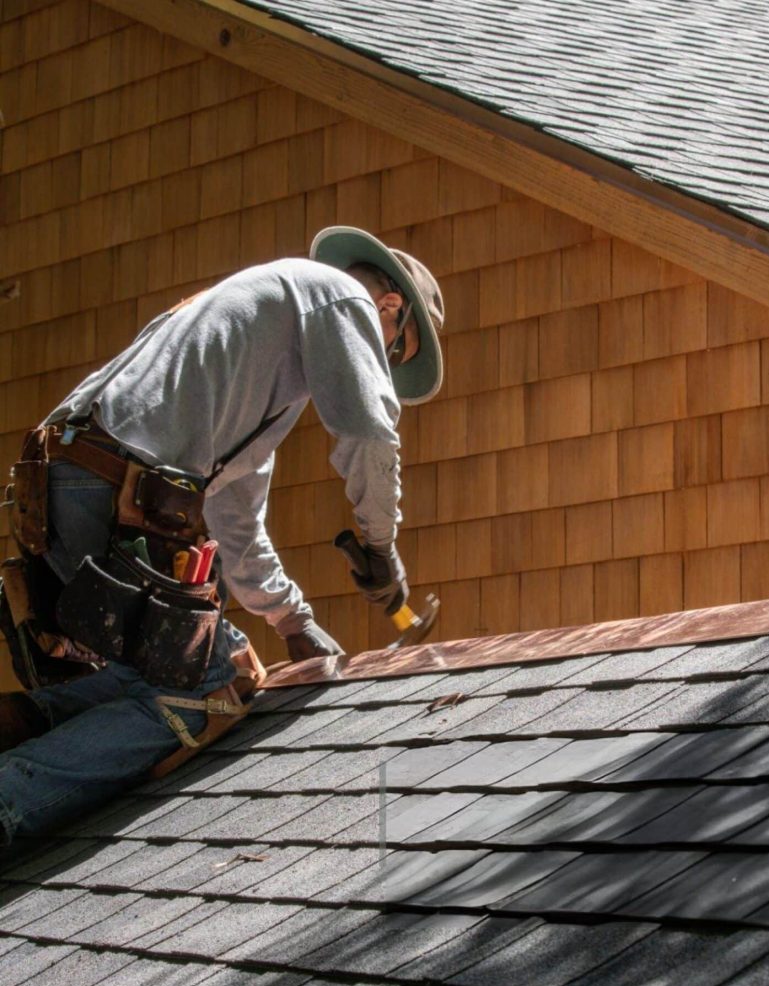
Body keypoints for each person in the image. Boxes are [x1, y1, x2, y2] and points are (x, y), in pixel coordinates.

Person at [0, 226, 445, 845]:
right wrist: (379, 545)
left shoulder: (254, 353)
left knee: (155, 671)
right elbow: (369, 431)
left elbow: (237, 516)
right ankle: (10, 799)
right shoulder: (341, 295)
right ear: (390, 307)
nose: (380, 361)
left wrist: (292, 620)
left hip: (61, 483)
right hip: (111, 487)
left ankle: (30, 720)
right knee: (213, 686)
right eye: (392, 352)